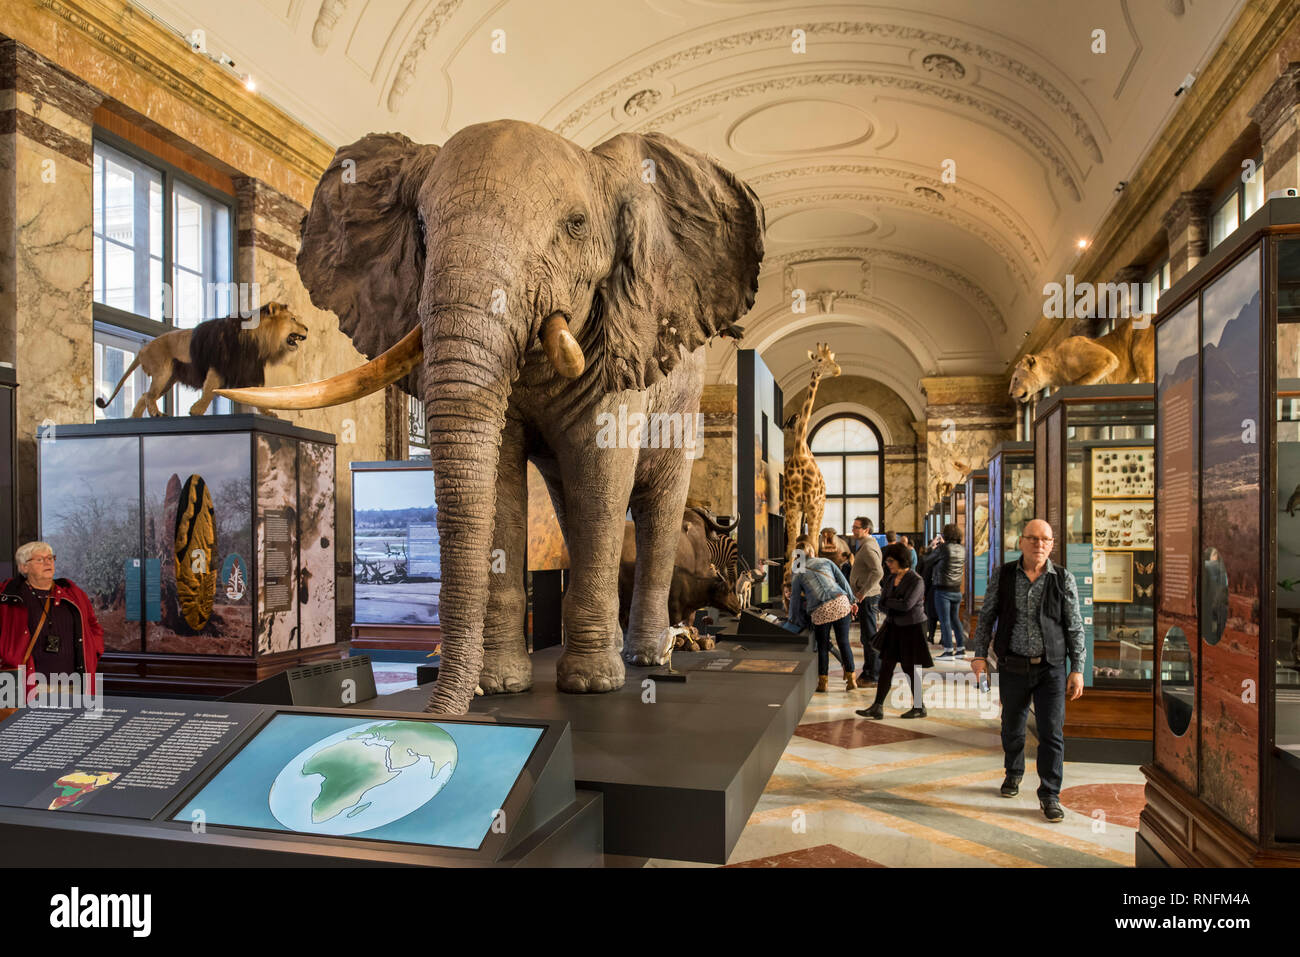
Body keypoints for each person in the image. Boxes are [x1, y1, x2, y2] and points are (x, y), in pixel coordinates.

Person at [970, 519, 1085, 823]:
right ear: (1020, 542)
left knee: (1051, 732)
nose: (1039, 544)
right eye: (1032, 538)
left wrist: (1078, 669)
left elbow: (1074, 626)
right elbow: (987, 617)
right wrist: (979, 655)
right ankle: (1014, 771)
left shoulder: (1063, 578)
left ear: (1052, 544)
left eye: (1045, 539)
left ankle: (1050, 794)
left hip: (1052, 667)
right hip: (1013, 665)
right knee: (1012, 726)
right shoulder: (1004, 575)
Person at [0, 542, 103, 697]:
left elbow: (93, 626)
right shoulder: (8, 597)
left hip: (73, 686)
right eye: (40, 560)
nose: (48, 562)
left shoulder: (73, 593)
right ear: (24, 567)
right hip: (28, 686)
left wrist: (92, 653)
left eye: (50, 558)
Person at [856, 542, 933, 719]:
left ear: (901, 560)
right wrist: (894, 602)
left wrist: (891, 602)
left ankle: (919, 707)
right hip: (893, 626)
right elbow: (882, 604)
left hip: (912, 628)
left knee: (910, 668)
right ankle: (877, 706)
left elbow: (907, 605)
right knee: (886, 667)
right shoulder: (890, 579)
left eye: (891, 561)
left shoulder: (916, 580)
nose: (888, 564)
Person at [788, 536, 858, 693]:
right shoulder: (826, 562)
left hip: (821, 610)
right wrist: (852, 601)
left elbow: (794, 599)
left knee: (823, 646)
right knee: (843, 642)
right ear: (812, 552)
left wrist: (793, 619)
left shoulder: (798, 573)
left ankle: (823, 683)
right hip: (841, 603)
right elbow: (843, 582)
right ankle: (851, 679)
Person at [919, 523, 966, 658]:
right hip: (956, 590)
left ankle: (948, 649)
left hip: (943, 589)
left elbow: (927, 560)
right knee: (955, 619)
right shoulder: (962, 549)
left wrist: (931, 547)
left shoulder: (943, 548)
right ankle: (961, 648)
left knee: (945, 619)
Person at [849, 516, 883, 685]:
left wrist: (862, 592)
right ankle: (869, 671)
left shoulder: (868, 547)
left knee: (870, 638)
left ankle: (874, 675)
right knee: (866, 637)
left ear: (866, 530)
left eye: (856, 527)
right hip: (867, 598)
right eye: (853, 527)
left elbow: (878, 572)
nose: (853, 530)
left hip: (869, 598)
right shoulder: (865, 545)